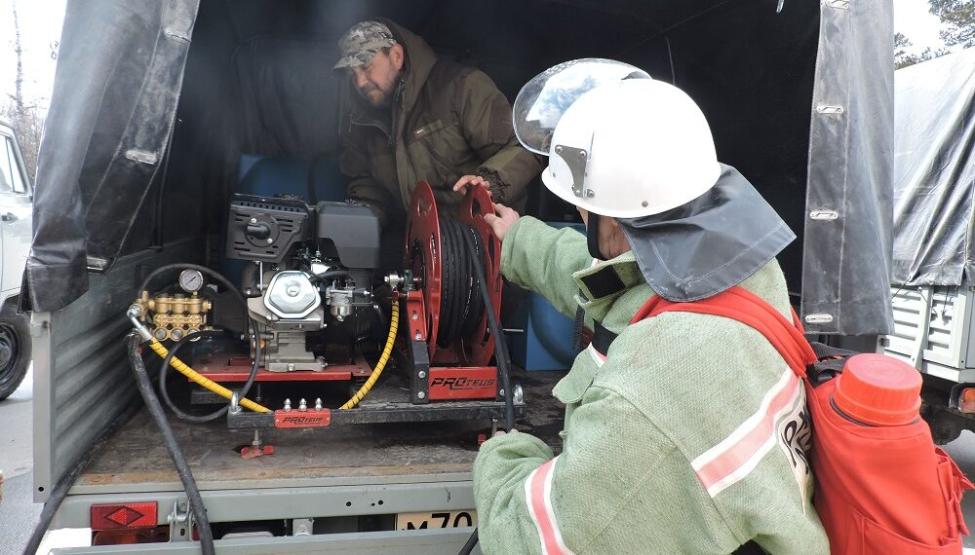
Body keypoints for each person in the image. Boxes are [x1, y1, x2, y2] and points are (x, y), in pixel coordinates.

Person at [471, 60, 829, 554]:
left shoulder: (653, 396)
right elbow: (614, 279)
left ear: (614, 221)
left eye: (582, 208)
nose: (578, 214)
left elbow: (530, 543)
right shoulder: (738, 273)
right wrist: (518, 239)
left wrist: (505, 455)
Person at [334, 19, 542, 237]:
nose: (359, 82)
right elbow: (365, 182)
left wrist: (490, 183)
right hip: (415, 248)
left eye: (366, 67)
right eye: (352, 73)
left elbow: (525, 145)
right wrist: (362, 223)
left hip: (480, 241)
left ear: (396, 56)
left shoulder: (461, 88)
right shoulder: (358, 120)